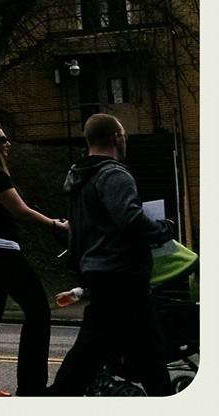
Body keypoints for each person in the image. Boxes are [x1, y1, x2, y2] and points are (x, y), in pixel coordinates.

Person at [48, 113, 175, 396]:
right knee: (94, 352)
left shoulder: (78, 178)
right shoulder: (114, 174)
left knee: (143, 351)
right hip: (122, 274)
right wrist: (161, 229)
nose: (125, 140)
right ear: (117, 137)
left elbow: (79, 229)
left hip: (98, 271)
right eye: (124, 135)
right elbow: (129, 219)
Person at [0, 120, 68, 396]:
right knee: (38, 312)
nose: (8, 144)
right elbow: (21, 210)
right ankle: (31, 387)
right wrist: (56, 225)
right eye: (2, 139)